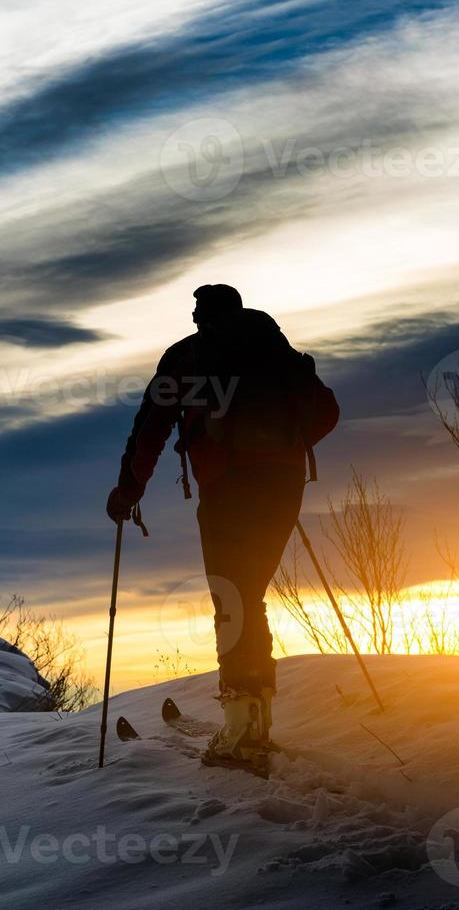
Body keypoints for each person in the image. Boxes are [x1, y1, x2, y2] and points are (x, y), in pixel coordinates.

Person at [107, 284, 339, 774]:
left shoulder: (186, 359)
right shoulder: (273, 347)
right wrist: (281, 455)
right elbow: (325, 411)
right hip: (284, 483)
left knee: (233, 596)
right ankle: (255, 717)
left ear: (199, 316)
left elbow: (151, 427)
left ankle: (241, 728)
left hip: (228, 487)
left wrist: (127, 493)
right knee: (249, 592)